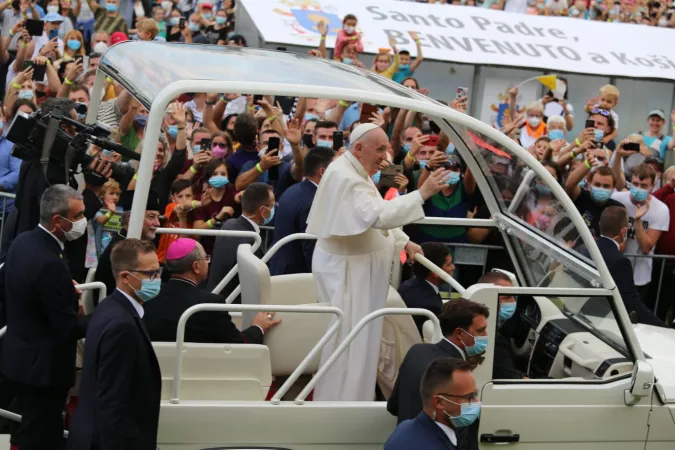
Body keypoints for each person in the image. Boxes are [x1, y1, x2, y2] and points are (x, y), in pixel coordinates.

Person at [306, 123, 449, 401]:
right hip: (349, 275)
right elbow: (376, 216)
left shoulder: (357, 171)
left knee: (360, 343)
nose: (386, 158)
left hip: (355, 272)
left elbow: (373, 216)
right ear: (359, 148)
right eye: (380, 149)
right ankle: (342, 405)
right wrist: (423, 193)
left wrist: (402, 241)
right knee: (350, 344)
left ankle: (353, 401)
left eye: (387, 149)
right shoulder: (347, 177)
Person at [2, 185, 90, 450]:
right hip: (44, 369)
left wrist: (63, 291)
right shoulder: (49, 261)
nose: (81, 222)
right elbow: (67, 327)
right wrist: (106, 316)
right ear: (57, 221)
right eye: (77, 216)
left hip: (18, 355)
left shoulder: (24, 241)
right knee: (39, 436)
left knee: (23, 428)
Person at [67, 239, 161, 450]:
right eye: (150, 274)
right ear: (125, 277)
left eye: (158, 271)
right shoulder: (122, 326)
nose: (157, 279)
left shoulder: (109, 308)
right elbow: (113, 403)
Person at [144, 238, 280, 343]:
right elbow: (238, 344)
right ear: (196, 266)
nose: (208, 262)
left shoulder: (150, 296)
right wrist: (258, 327)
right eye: (206, 258)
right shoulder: (209, 304)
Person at [387, 298, 488, 424]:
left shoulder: (416, 351)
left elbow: (393, 406)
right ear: (460, 334)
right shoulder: (455, 372)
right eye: (480, 330)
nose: (485, 335)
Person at [582, 207, 664, 327]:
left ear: (600, 224)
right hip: (600, 321)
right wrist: (662, 326)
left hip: (582, 313)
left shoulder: (587, 249)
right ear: (624, 231)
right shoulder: (620, 262)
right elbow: (631, 302)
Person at [384, 358, 478, 450]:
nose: (476, 402)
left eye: (475, 394)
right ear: (439, 402)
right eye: (469, 397)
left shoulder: (404, 428)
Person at [269, 147, 336, 276]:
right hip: (296, 276)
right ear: (323, 172)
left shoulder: (293, 190)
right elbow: (310, 246)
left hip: (280, 268)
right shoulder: (313, 201)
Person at [610, 163, 670, 303]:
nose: (638, 189)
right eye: (635, 184)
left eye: (644, 186)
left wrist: (637, 221)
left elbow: (646, 247)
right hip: (613, 269)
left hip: (638, 276)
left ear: (652, 186)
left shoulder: (660, 209)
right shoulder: (618, 199)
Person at [207, 182, 275, 300]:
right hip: (233, 308)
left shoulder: (229, 224)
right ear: (263, 210)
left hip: (214, 297)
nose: (274, 209)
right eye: (272, 206)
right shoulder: (251, 241)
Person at [93, 191, 161, 299]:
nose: (157, 223)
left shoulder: (140, 243)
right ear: (130, 219)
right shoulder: (118, 249)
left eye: (158, 217)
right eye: (151, 217)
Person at [398, 242, 454, 336]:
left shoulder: (406, 286)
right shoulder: (430, 305)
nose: (453, 267)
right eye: (449, 265)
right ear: (434, 272)